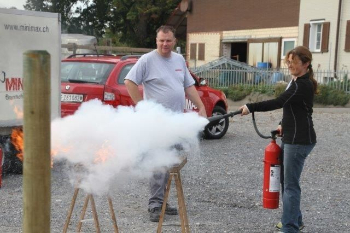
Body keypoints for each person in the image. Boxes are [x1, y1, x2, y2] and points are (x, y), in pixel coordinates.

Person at [124, 25, 207, 222]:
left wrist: (201, 106)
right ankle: (154, 205)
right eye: (161, 40)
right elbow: (130, 81)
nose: (165, 44)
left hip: (176, 123)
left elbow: (188, 85)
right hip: (157, 125)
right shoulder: (147, 60)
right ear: (156, 40)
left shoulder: (178, 60)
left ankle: (163, 202)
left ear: (174, 41)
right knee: (158, 164)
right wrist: (142, 107)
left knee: (171, 164)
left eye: (168, 40)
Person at [239, 46, 317, 233]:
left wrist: (250, 106)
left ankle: (290, 228)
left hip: (299, 141)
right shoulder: (296, 81)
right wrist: (283, 123)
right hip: (292, 136)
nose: (289, 65)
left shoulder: (302, 85)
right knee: (286, 182)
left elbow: (278, 102)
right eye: (288, 62)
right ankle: (295, 220)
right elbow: (295, 108)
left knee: (290, 186)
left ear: (306, 64)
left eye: (294, 62)